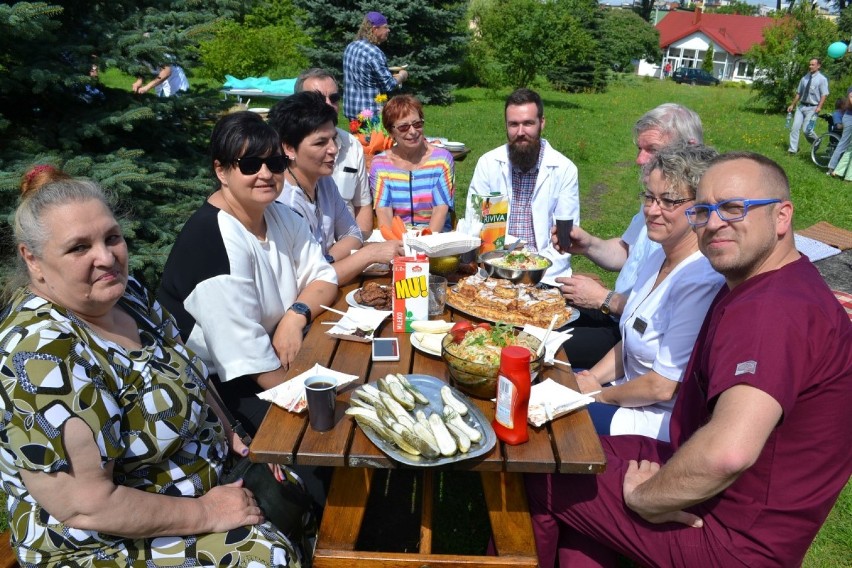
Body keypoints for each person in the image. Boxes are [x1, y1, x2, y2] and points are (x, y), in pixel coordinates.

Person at [525, 152, 852, 567]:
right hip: (713, 487)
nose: (715, 223)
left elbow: (727, 453)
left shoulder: (772, 311)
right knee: (579, 473)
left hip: (734, 536)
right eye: (704, 210)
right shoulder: (771, 285)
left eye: (735, 208)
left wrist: (647, 497)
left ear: (782, 216)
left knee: (545, 471)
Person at [0, 166, 302, 566]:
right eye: (78, 248)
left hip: (197, 483)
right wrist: (207, 513)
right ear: (32, 259)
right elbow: (87, 506)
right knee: (266, 559)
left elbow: (186, 366)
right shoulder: (39, 356)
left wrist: (229, 431)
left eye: (112, 238)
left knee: (297, 478)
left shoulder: (125, 296)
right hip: (101, 541)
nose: (106, 258)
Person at [157, 111, 338, 435]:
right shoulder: (211, 240)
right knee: (320, 433)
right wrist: (312, 397)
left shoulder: (280, 215)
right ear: (221, 170)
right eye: (250, 165)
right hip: (221, 386)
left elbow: (324, 276)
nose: (266, 174)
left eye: (276, 164)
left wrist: (294, 317)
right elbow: (245, 356)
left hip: (276, 352)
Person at [577, 144, 724, 442]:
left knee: (547, 412)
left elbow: (662, 386)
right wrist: (591, 377)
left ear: (699, 207)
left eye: (668, 201)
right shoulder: (659, 254)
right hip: (624, 392)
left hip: (656, 419)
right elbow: (631, 341)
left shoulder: (700, 280)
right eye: (649, 197)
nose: (651, 210)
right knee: (548, 377)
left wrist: (599, 396)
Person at [555, 103, 703, 368]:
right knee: (537, 310)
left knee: (543, 344)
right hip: (614, 313)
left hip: (631, 334)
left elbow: (659, 321)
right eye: (639, 149)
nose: (640, 160)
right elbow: (628, 252)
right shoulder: (658, 197)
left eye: (652, 150)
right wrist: (589, 244)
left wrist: (605, 299)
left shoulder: (691, 217)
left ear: (689, 148)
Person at [269, 91, 403, 284]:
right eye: (320, 142)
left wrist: (327, 260)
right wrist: (368, 254)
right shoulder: (282, 203)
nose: (333, 148)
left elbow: (352, 233)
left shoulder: (323, 181)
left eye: (332, 138)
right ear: (289, 149)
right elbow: (309, 281)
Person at [463, 88, 580, 281]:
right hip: (494, 268)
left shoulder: (564, 169)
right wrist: (501, 266)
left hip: (545, 272)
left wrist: (530, 270)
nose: (520, 132)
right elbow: (475, 225)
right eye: (513, 124)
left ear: (542, 123)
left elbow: (565, 239)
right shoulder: (488, 163)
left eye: (528, 124)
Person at [295, 68, 374, 236]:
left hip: (351, 243)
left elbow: (362, 205)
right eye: (317, 99)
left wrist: (362, 247)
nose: (328, 105)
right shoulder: (286, 150)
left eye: (334, 98)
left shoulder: (352, 144)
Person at [371, 94, 455, 233]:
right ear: (390, 131)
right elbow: (383, 211)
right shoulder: (380, 165)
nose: (413, 131)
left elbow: (440, 209)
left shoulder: (441, 160)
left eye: (417, 124)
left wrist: (425, 244)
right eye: (404, 127)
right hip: (398, 237)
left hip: (436, 236)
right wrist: (395, 243)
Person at [343, 11, 408, 120]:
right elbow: (389, 85)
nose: (388, 30)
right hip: (370, 115)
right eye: (385, 27)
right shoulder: (374, 53)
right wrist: (402, 75)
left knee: (355, 138)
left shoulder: (351, 46)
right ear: (375, 29)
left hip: (352, 112)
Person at [786, 57, 828, 154]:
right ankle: (792, 150)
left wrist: (819, 107)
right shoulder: (804, 78)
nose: (810, 66)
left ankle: (817, 141)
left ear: (818, 66)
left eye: (813, 65)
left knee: (807, 130)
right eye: (810, 64)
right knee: (794, 128)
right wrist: (792, 105)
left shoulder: (822, 79)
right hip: (801, 107)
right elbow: (798, 93)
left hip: (813, 108)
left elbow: (824, 94)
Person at [827, 88, 852, 176]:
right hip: (850, 118)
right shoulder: (851, 89)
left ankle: (842, 171)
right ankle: (832, 168)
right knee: (843, 144)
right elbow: (851, 98)